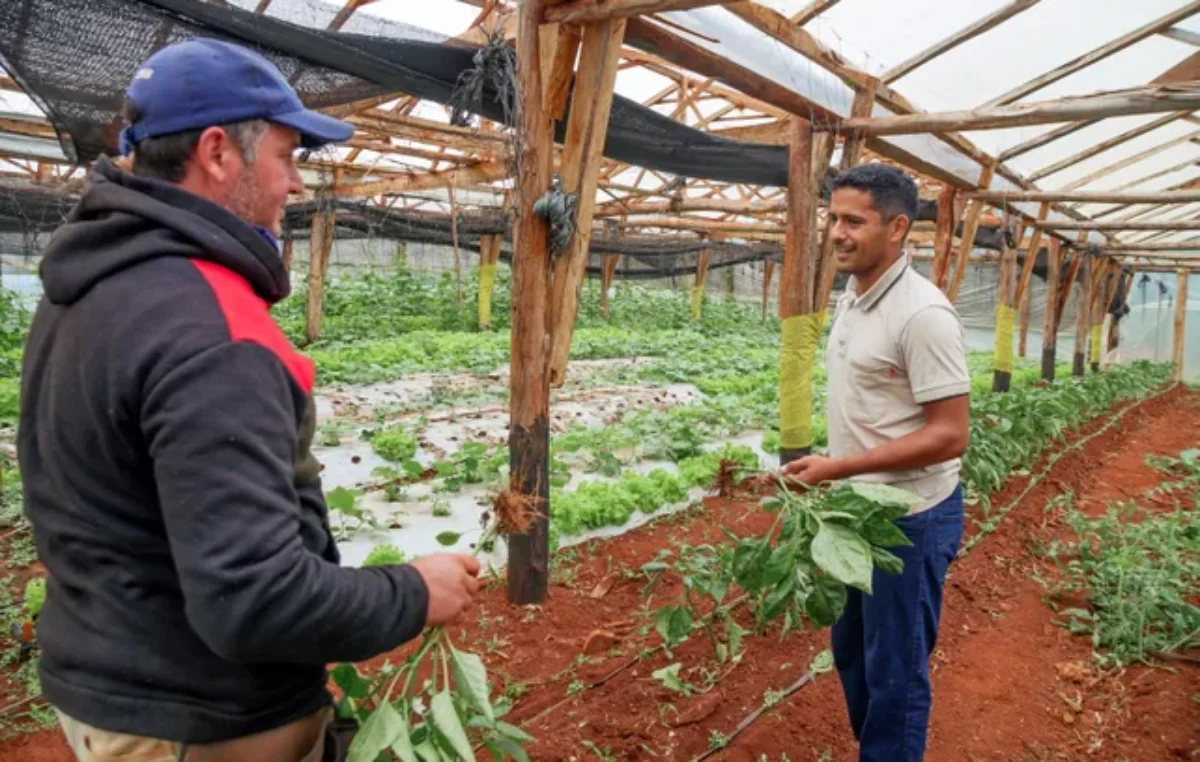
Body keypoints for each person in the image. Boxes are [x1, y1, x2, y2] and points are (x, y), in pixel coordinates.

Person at [18, 38, 481, 762]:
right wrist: (414, 592)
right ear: (217, 152)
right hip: (199, 717)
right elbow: (254, 599)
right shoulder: (212, 327)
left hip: (110, 682)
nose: (295, 184)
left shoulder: (83, 289)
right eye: (287, 155)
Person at [781, 164, 970, 761]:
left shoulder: (923, 315)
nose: (837, 232)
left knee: (896, 669)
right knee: (852, 650)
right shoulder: (855, 295)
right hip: (858, 509)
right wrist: (834, 467)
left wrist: (839, 467)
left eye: (853, 221)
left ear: (897, 227)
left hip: (910, 517)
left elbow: (950, 434)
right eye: (833, 218)